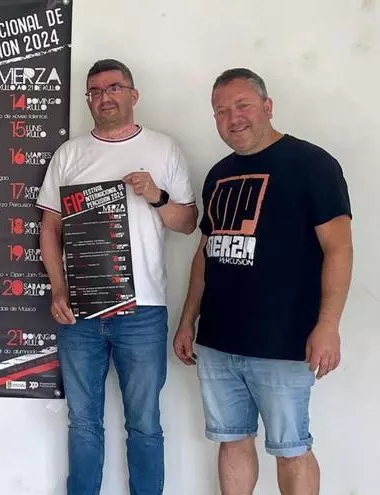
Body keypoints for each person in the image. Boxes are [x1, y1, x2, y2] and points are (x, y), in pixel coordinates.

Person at [173, 68, 353, 495]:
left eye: (243, 105)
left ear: (267, 107)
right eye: (221, 111)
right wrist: (187, 320)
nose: (232, 118)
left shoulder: (313, 164)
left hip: (285, 341)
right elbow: (205, 252)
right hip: (218, 342)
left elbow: (339, 249)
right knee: (231, 440)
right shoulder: (218, 174)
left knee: (292, 449)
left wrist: (328, 325)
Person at [36, 59, 197, 495]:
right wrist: (58, 289)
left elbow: (187, 223)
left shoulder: (163, 148)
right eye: (94, 91)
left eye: (113, 88)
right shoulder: (70, 154)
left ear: (133, 94)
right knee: (82, 422)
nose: (103, 97)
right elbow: (49, 229)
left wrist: (156, 196)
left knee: (144, 422)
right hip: (81, 310)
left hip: (142, 310)